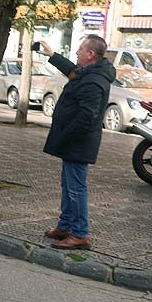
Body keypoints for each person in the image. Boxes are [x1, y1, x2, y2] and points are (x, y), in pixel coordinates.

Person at [36, 35, 115, 250]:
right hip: (74, 142)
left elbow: (87, 117)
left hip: (78, 143)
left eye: (80, 49)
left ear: (90, 55)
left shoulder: (94, 81)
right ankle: (65, 226)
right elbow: (72, 70)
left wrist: (64, 136)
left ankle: (79, 234)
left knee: (76, 189)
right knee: (68, 185)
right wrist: (52, 55)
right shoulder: (90, 72)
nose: (77, 52)